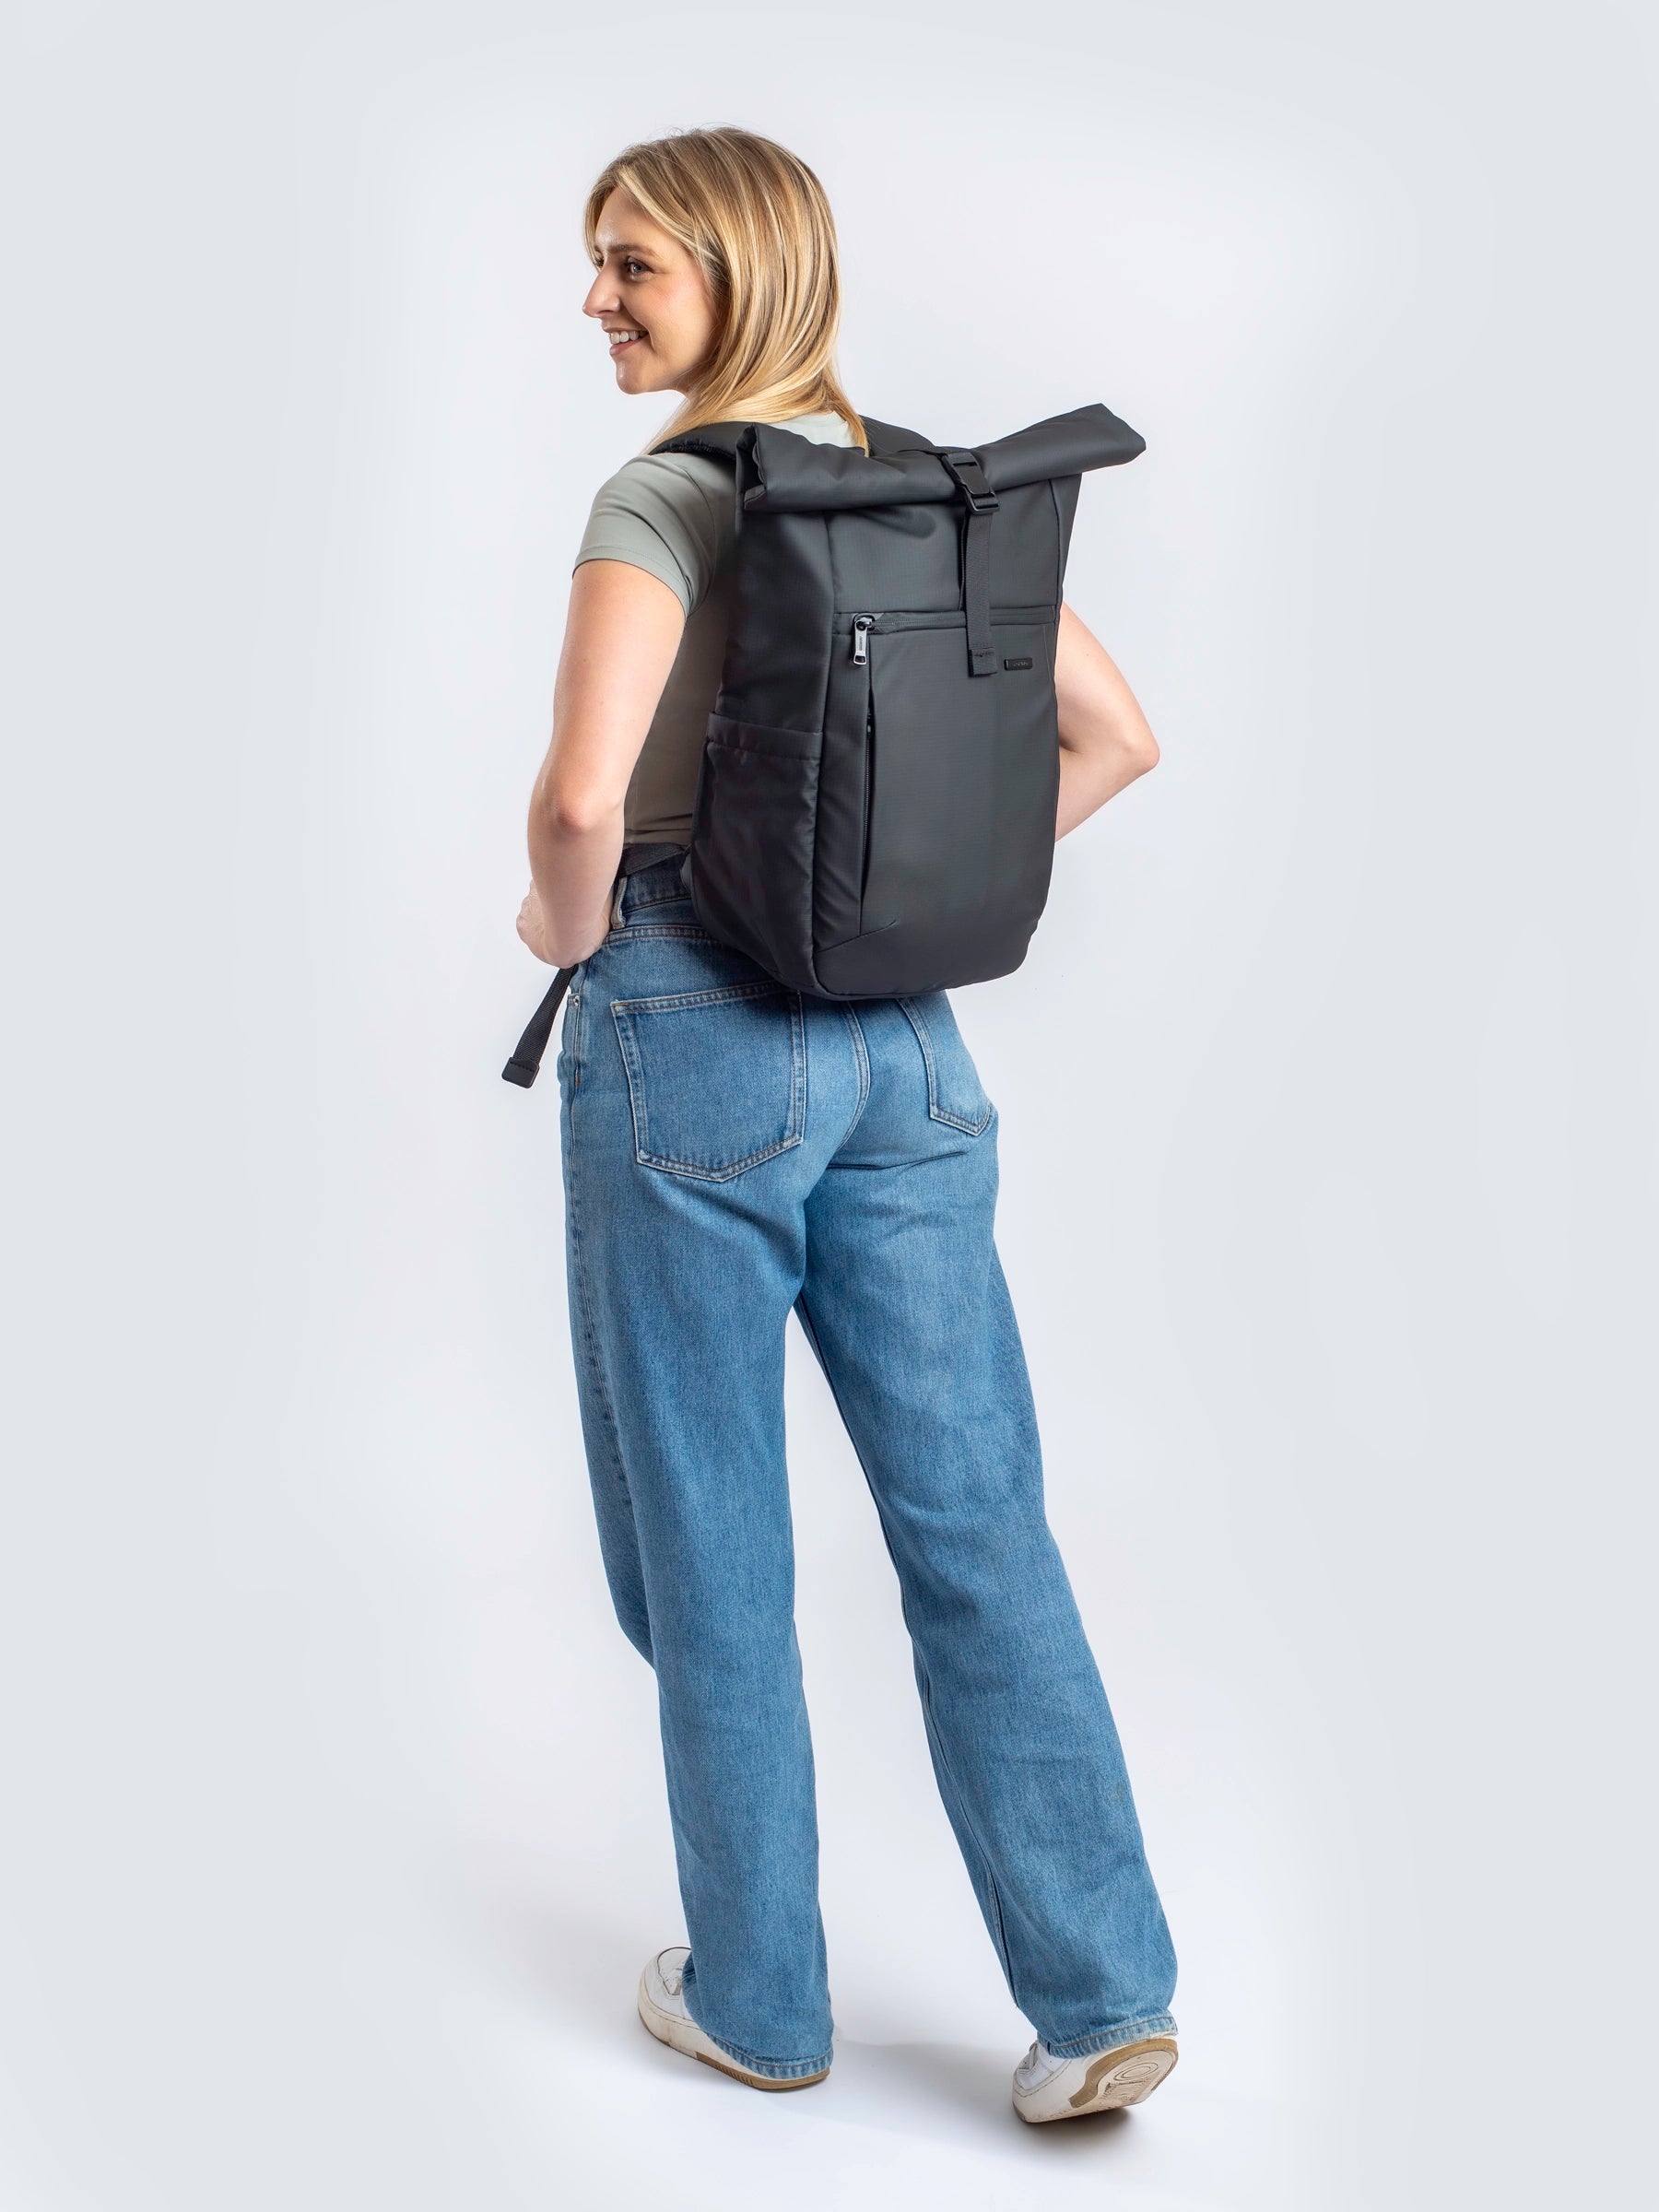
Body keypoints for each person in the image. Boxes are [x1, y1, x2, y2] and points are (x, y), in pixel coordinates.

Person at [515, 127, 1177, 2124]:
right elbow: (1117, 735)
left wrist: (564, 928)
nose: (598, 298)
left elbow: (579, 803)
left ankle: (762, 2004)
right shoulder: (920, 486)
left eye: (635, 263)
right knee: (979, 1525)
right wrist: (905, 895)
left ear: (738, 271)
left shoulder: (669, 494)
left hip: (691, 1035)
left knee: (708, 1543)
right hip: (912, 1053)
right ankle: (1102, 1999)